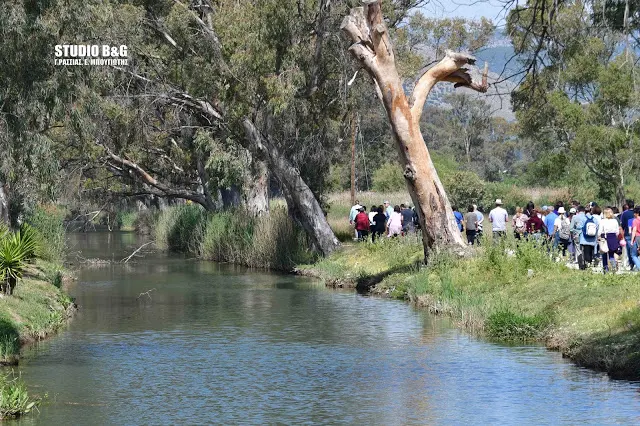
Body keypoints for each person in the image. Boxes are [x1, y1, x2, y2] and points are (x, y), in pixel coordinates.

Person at [598, 208, 621, 273]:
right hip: (613, 237)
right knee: (611, 254)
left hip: (604, 238)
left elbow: (599, 231)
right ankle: (613, 268)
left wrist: (598, 237)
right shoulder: (615, 221)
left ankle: (605, 270)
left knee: (604, 254)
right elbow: (617, 231)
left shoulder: (602, 221)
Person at [620, 200, 635, 269]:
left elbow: (622, 225)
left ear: (628, 206)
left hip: (628, 234)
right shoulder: (636, 213)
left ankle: (631, 263)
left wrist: (622, 234)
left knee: (629, 250)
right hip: (637, 233)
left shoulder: (624, 214)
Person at [630, 206, 640, 272]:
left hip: (637, 237)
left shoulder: (635, 220)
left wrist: (631, 241)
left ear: (637, 213)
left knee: (633, 255)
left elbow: (634, 231)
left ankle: (639, 267)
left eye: (634, 213)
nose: (633, 214)